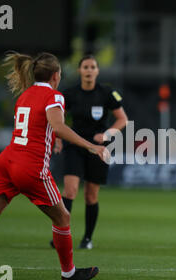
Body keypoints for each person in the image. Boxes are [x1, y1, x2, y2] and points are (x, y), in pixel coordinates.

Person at [0, 52, 109, 280]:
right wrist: (91, 147)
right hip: (30, 166)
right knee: (63, 218)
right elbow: (58, 126)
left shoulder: (25, 95)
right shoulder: (54, 96)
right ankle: (69, 273)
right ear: (56, 75)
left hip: (6, 161)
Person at [50, 54, 128, 250]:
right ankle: (61, 235)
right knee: (70, 190)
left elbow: (122, 120)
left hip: (99, 149)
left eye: (93, 67)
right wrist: (58, 138)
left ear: (97, 71)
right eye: (85, 67)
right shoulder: (69, 94)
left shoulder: (106, 93)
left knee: (91, 196)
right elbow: (56, 120)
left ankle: (87, 238)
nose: (89, 70)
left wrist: (107, 134)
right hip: (74, 145)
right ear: (79, 70)